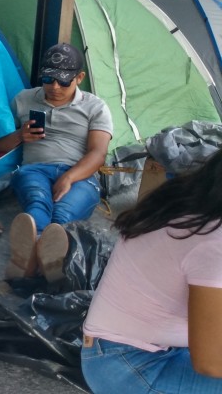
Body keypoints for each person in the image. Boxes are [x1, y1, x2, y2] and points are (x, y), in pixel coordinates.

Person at [81, 149, 222, 393]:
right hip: (128, 364)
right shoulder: (212, 241)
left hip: (135, 349)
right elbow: (211, 363)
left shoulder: (196, 203)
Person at [0, 42, 113, 281]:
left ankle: (32, 261)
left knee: (62, 214)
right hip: (34, 170)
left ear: (79, 78)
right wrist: (20, 136)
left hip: (80, 174)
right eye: (48, 79)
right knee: (37, 202)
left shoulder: (95, 107)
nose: (54, 87)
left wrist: (69, 177)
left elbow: (97, 154)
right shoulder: (24, 100)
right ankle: (42, 258)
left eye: (63, 81)